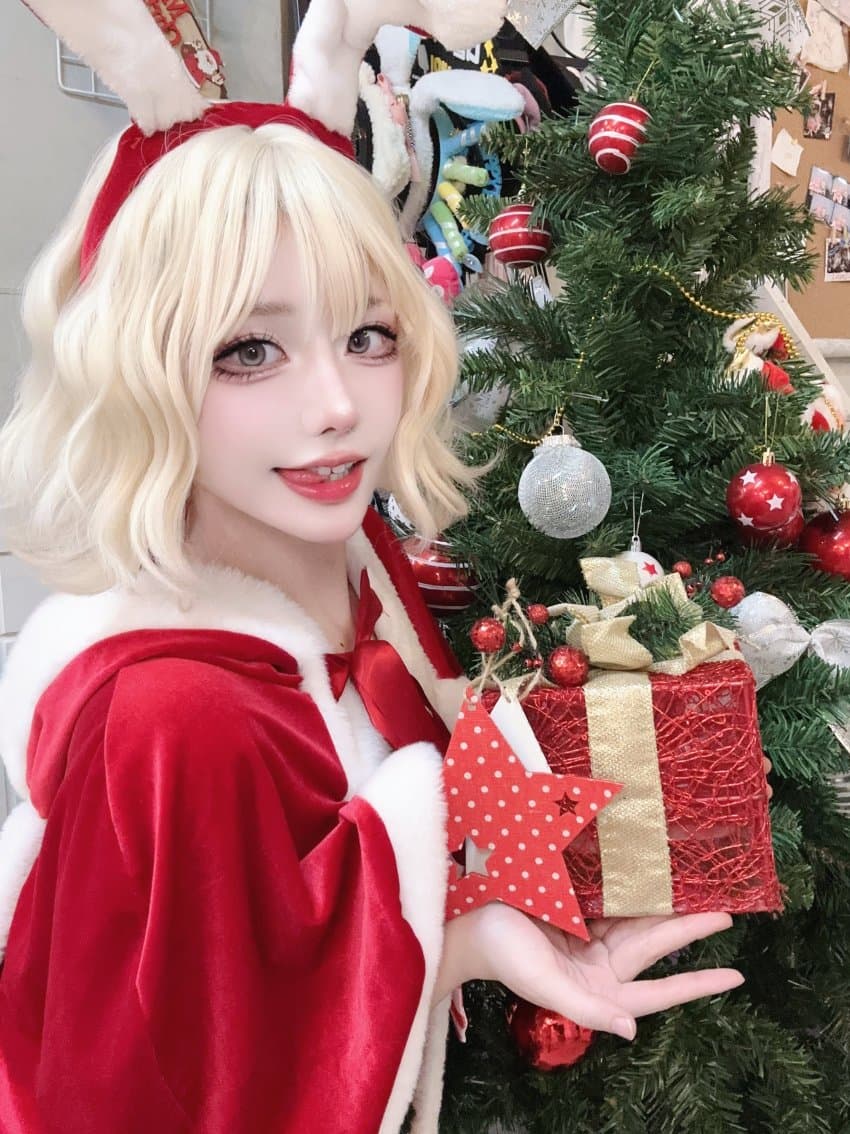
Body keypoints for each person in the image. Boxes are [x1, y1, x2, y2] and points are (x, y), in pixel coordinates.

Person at [0, 3, 744, 1133]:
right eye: (251, 350)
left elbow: (258, 990)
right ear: (140, 369)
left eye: (368, 336)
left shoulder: (351, 593)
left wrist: (466, 942)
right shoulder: (175, 721)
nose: (338, 405)